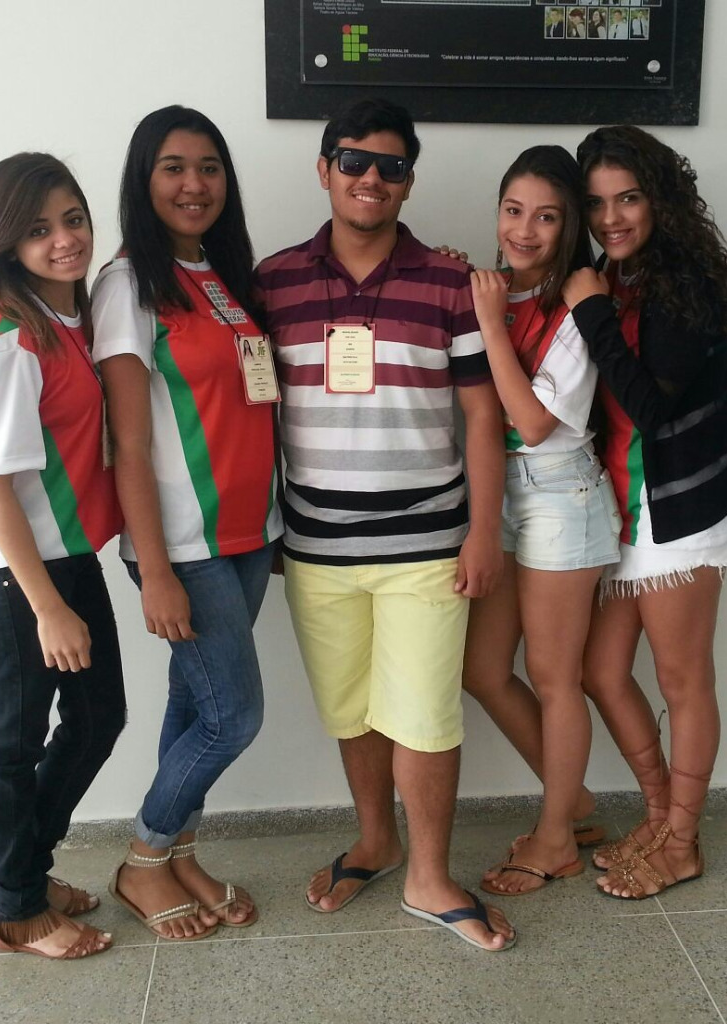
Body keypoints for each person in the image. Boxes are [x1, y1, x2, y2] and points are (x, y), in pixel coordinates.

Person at [255, 98, 515, 952]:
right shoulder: (272, 283)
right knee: (353, 710)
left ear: (409, 181)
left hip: (427, 545)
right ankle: (377, 840)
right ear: (324, 169)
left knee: (427, 715)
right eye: (354, 161)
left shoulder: (448, 283)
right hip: (316, 548)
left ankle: (430, 876)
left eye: (392, 166)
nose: (372, 177)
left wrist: (483, 531)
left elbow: (483, 418)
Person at [92, 105, 283, 939]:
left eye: (208, 167)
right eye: (173, 167)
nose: (193, 184)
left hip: (250, 536)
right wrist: (157, 570)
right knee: (233, 718)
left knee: (192, 704)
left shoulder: (221, 274)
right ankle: (143, 857)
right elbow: (128, 444)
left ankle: (179, 853)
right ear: (144, 180)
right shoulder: (127, 284)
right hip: (184, 542)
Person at [562, 125, 727, 899]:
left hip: (685, 508)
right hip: (625, 507)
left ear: (660, 199)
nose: (611, 217)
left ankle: (683, 842)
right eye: (597, 203)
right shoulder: (612, 274)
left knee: (682, 679)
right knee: (601, 671)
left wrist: (592, 313)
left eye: (629, 198)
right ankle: (660, 814)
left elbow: (650, 407)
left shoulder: (684, 283)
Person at [0, 153, 125, 959]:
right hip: (13, 572)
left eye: (73, 219)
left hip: (64, 556)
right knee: (14, 742)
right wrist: (47, 606)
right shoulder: (12, 343)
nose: (64, 240)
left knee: (97, 719)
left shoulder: (65, 325)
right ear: (5, 245)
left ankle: (17, 871)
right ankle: (18, 910)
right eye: (38, 229)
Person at [460, 147, 620, 896]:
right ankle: (574, 805)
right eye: (513, 210)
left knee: (556, 678)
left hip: (562, 496)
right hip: (501, 495)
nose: (524, 230)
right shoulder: (494, 288)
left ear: (570, 226)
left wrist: (491, 323)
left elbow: (531, 420)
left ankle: (556, 839)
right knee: (483, 670)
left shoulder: (581, 301)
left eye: (546, 217)